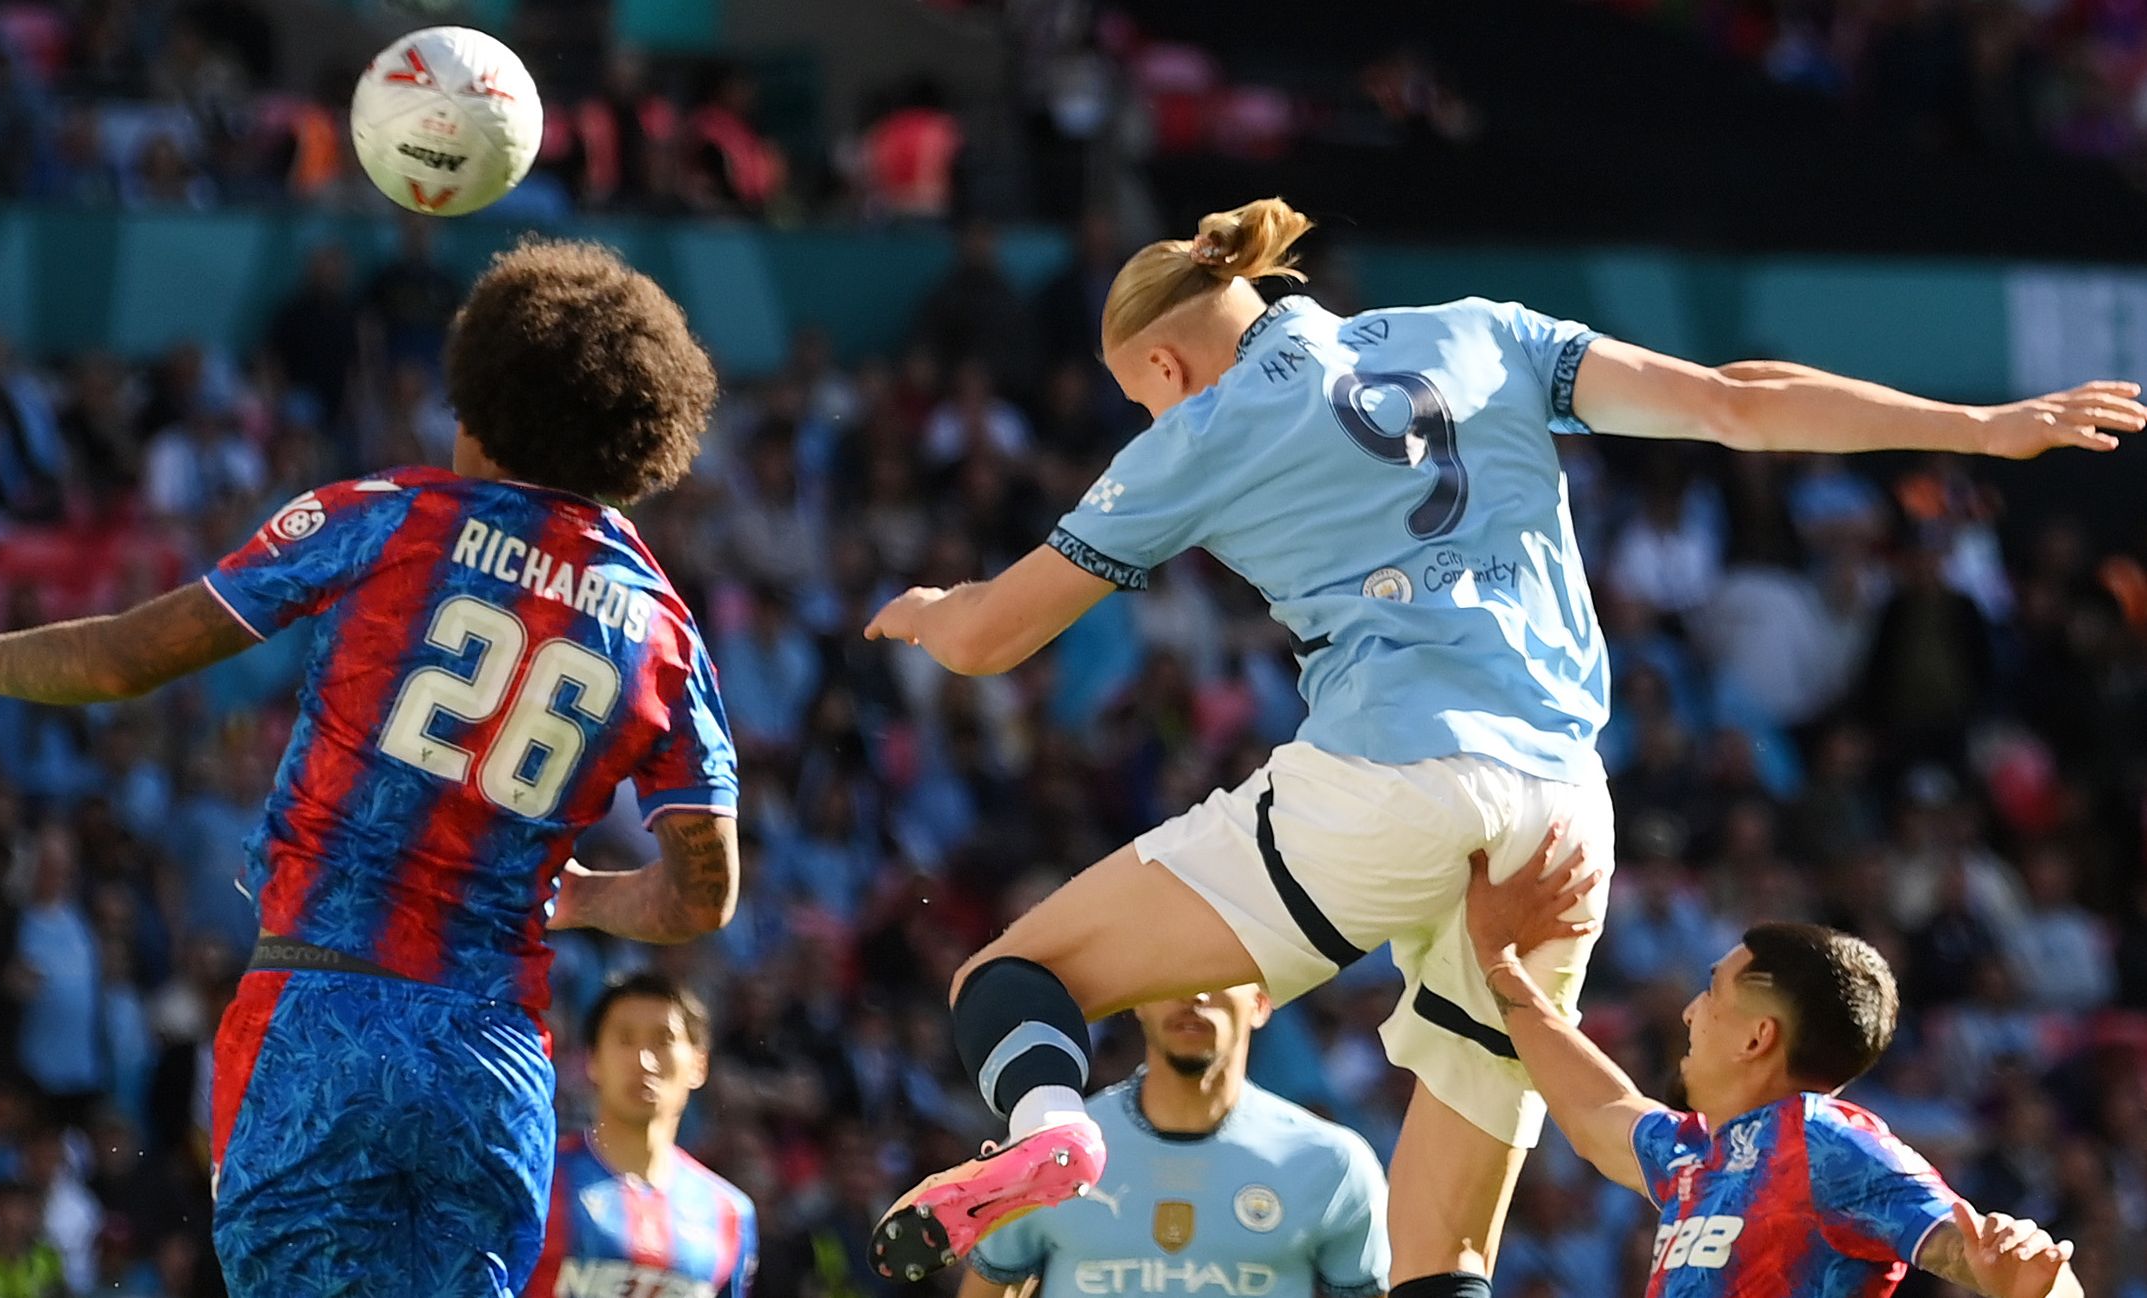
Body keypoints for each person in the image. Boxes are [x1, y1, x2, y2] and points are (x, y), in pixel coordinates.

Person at [858, 196, 2141, 1298]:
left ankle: (1054, 1131)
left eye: (1138, 389)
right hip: (1566, 807)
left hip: (1388, 775)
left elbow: (989, 638)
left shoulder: (1190, 436)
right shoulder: (1478, 330)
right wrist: (1983, 427)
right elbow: (1734, 404)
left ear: (1166, 369)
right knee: (1449, 1232)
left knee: (1017, 977)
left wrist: (922, 616)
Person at [0, 239, 744, 1298]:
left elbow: (125, 656)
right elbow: (706, 893)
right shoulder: (663, 629)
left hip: (322, 1012)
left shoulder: (389, 516)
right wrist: (581, 896)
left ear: (480, 400)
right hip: (493, 1055)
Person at [1465, 829, 2084, 1298]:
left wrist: (2034, 1283)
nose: (1688, 1012)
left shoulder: (1826, 1141)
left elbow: (1976, 1257)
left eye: (1713, 992)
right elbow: (1596, 1109)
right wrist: (1499, 963)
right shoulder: (1697, 1152)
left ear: (1757, 1036)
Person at [956, 984, 1388, 1298]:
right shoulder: (1050, 1150)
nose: (1195, 995)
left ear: (1261, 1002)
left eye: (1220, 975)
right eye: (1176, 976)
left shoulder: (1331, 1162)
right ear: (1138, 999)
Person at [526, 973, 756, 1298]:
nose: (643, 1061)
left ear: (699, 1065)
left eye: (663, 1040)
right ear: (592, 1061)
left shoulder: (730, 1213)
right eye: (625, 1039)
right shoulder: (537, 1181)